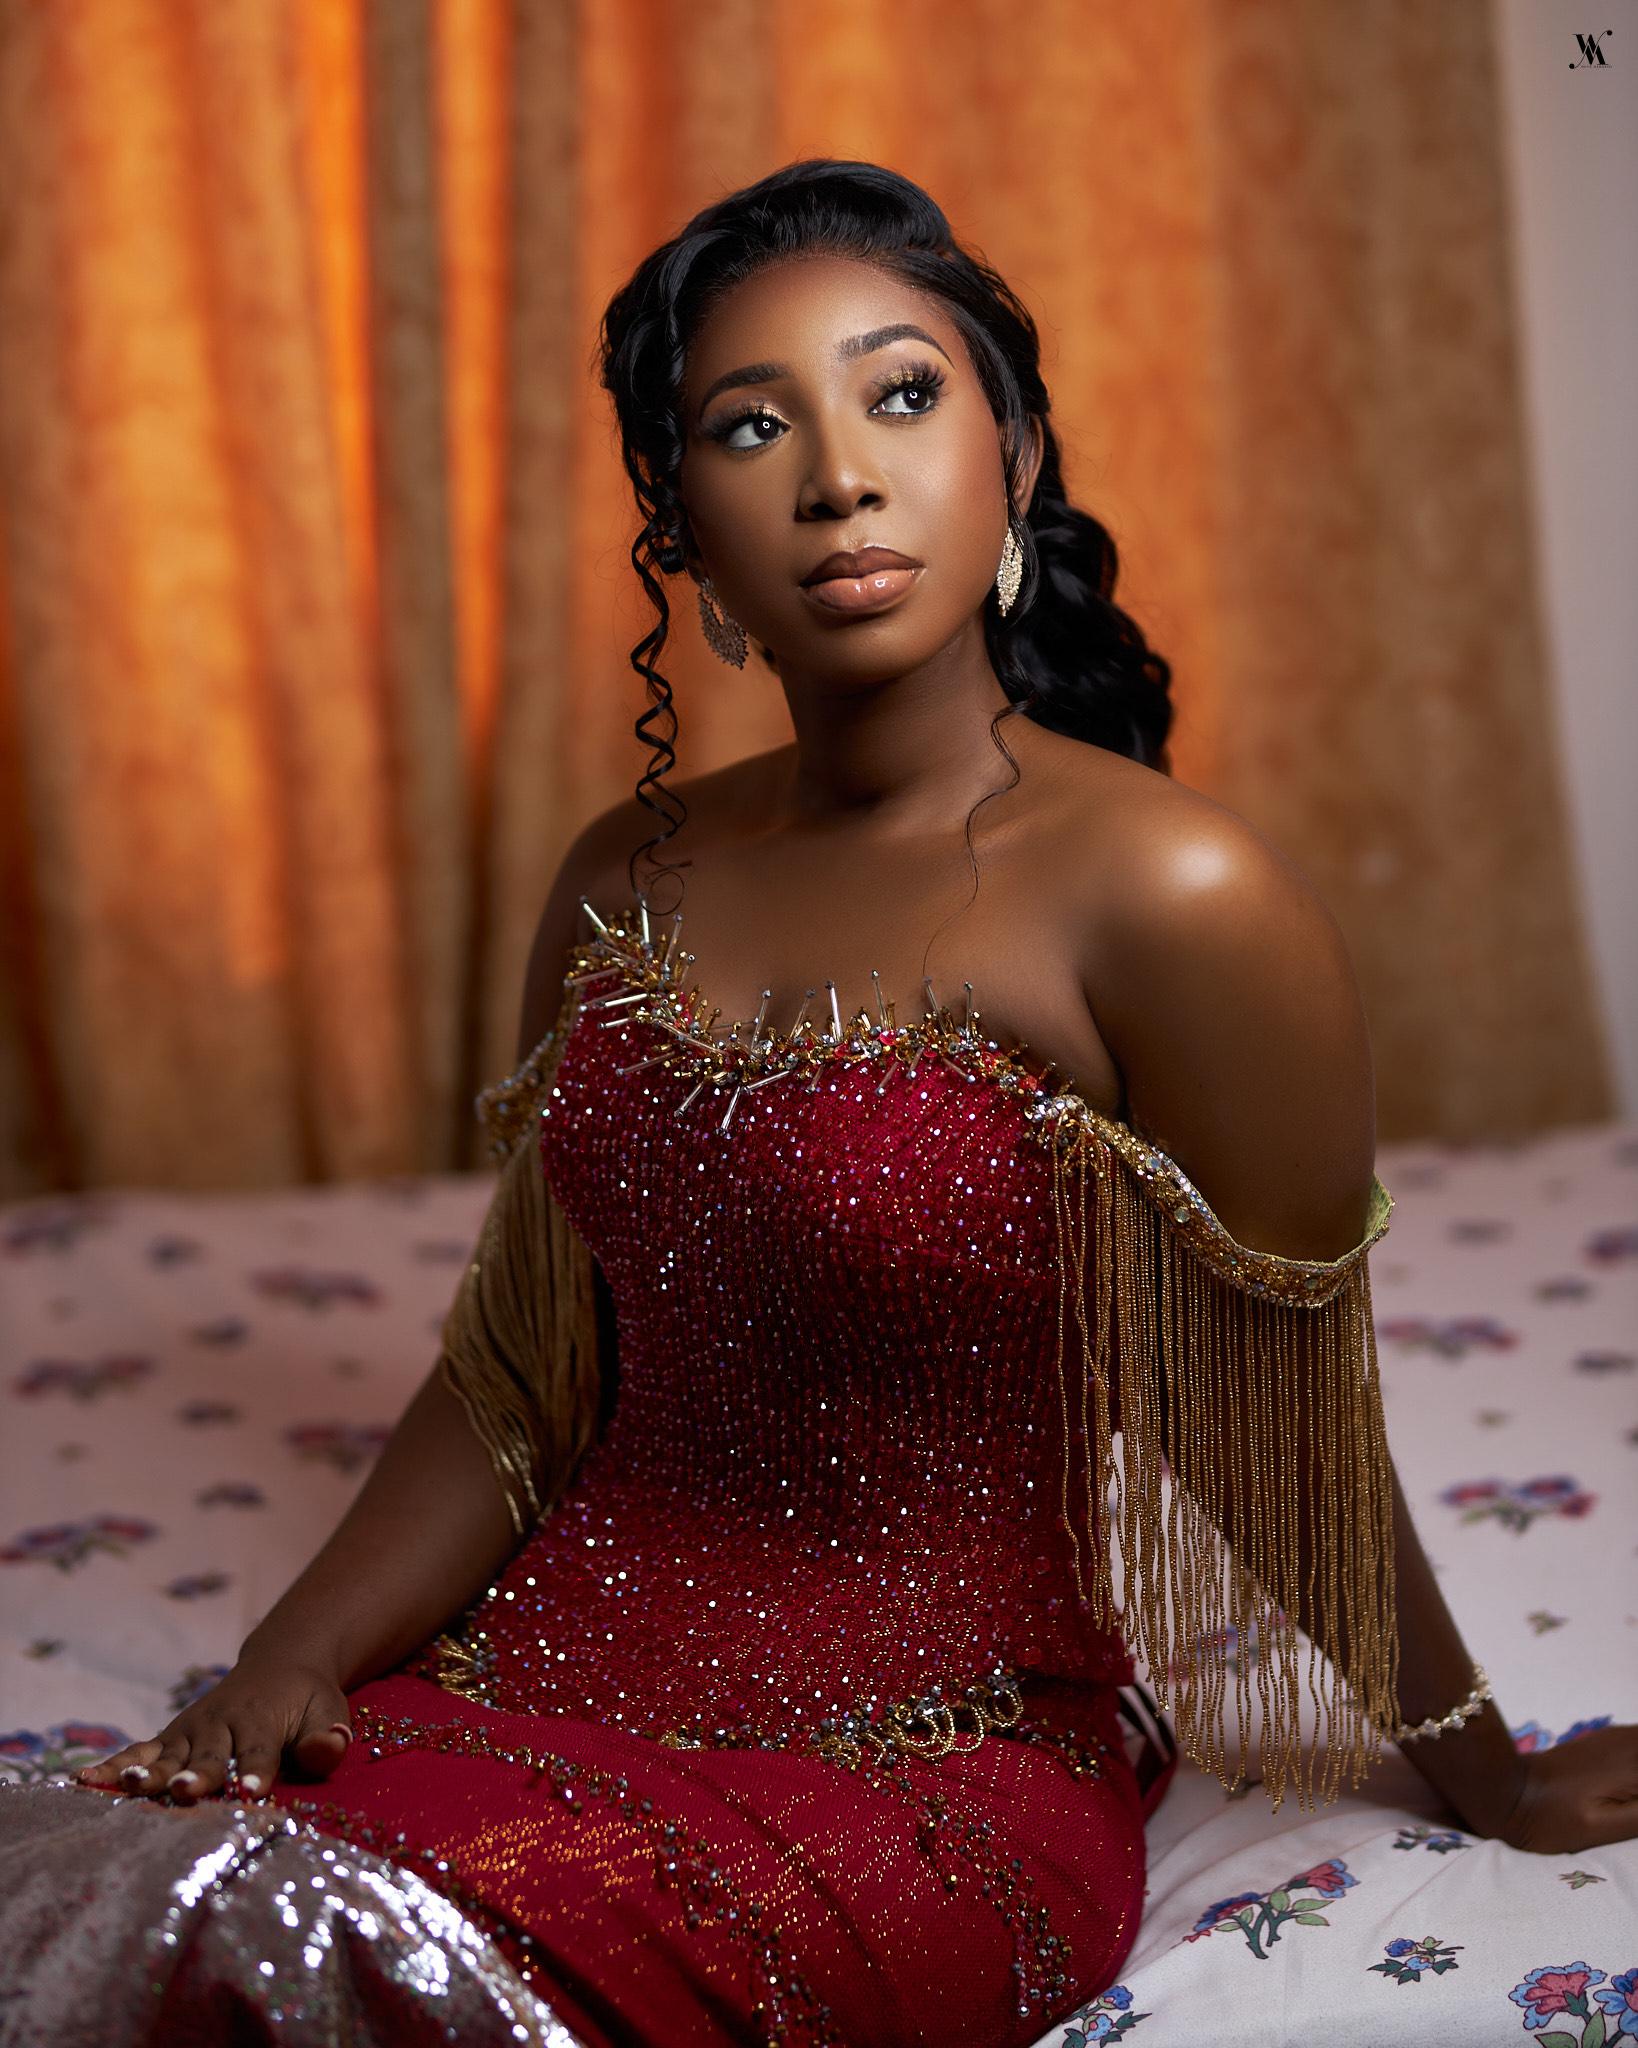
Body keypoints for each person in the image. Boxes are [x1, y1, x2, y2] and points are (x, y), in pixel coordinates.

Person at [7, 159, 1637, 2048]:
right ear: (678, 529)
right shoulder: (623, 870)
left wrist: (1484, 1778)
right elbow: (521, 1368)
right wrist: (284, 1657)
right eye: (750, 424)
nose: (837, 475)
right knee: (133, 1924)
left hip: (923, 1776)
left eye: (902, 394)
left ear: (1013, 457)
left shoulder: (1174, 898)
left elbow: (1285, 1423)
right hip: (516, 1683)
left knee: (338, 1985)